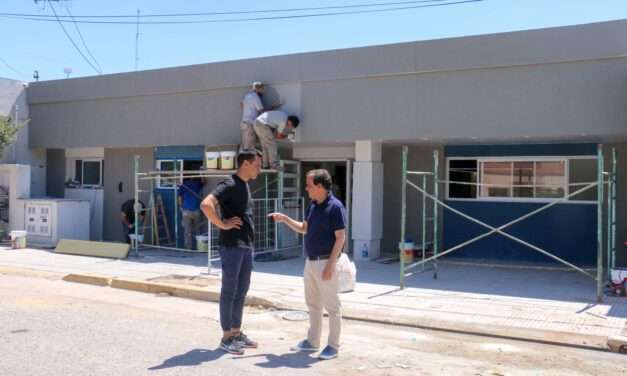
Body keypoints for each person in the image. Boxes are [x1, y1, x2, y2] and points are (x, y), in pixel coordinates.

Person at [269, 169, 346, 360]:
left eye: (310, 185)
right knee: (313, 304)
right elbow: (305, 228)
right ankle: (312, 341)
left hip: (325, 263)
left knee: (333, 307)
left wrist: (330, 265)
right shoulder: (313, 205)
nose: (307, 188)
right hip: (311, 262)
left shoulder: (335, 207)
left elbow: (340, 238)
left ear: (320, 187)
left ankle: (333, 346)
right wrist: (285, 219)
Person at [200, 149, 262, 355]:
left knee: (241, 291)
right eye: (257, 165)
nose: (259, 169)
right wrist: (222, 224)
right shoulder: (229, 184)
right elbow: (206, 204)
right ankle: (226, 337)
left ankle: (236, 333)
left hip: (245, 246)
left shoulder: (244, 185)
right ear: (245, 164)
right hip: (232, 246)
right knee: (229, 291)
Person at [240, 81, 283, 150]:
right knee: (249, 147)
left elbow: (241, 105)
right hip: (249, 124)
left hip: (245, 123)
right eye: (262, 89)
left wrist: (248, 112)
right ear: (257, 89)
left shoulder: (247, 96)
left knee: (246, 144)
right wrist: (275, 106)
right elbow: (262, 112)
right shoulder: (256, 98)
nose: (263, 91)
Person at [177, 177, 205, 249]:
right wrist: (202, 174)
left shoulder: (183, 185)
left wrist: (181, 207)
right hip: (196, 210)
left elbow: (179, 197)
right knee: (198, 229)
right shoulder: (197, 184)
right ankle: (199, 246)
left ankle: (188, 248)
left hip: (186, 211)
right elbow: (204, 181)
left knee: (187, 231)